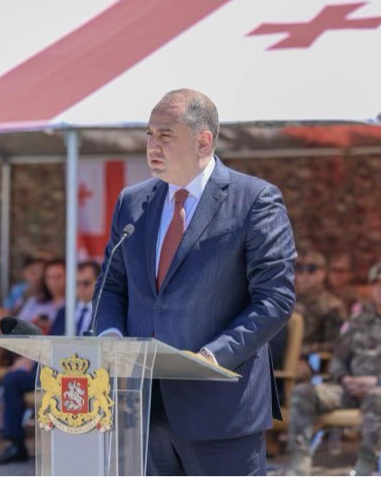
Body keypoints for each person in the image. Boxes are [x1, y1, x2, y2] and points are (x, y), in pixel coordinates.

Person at [94, 89, 296, 475]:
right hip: (142, 407)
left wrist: (212, 357)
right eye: (149, 134)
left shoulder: (254, 200)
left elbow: (275, 299)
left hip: (220, 409)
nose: (152, 145)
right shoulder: (131, 202)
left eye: (165, 135)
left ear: (203, 140)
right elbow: (112, 285)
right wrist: (110, 339)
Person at [287, 262, 381, 476]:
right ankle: (299, 463)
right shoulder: (357, 320)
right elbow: (339, 357)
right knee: (303, 393)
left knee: (377, 397)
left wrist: (379, 381)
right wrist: (344, 379)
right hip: (350, 388)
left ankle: (365, 465)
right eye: (377, 284)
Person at [0, 260, 100, 465]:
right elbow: (51, 343)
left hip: (88, 372)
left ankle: (76, 451)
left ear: (98, 283)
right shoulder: (66, 311)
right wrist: (32, 359)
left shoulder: (103, 312)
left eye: (86, 283)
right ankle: (15, 444)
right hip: (55, 369)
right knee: (12, 379)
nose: (81, 289)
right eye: (76, 284)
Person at [292, 250, 347, 377]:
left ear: (323, 273)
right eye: (299, 269)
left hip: (313, 363)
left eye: (311, 269)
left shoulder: (331, 306)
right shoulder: (285, 301)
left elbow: (337, 345)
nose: (305, 275)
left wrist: (301, 352)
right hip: (280, 357)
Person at [15, 258, 65, 333]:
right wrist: (34, 323)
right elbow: (17, 327)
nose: (53, 282)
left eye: (58, 277)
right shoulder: (34, 302)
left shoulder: (75, 306)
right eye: (49, 277)